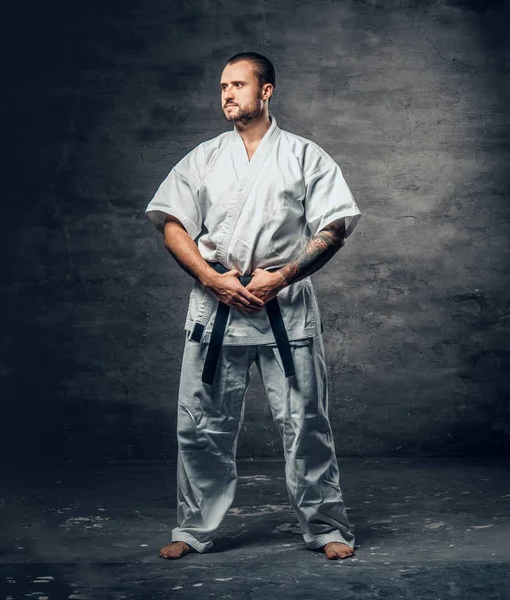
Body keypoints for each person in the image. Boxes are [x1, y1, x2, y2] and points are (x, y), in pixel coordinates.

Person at [145, 52, 361, 561]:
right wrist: (210, 277)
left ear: (266, 91)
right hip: (216, 306)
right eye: (222, 86)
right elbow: (172, 222)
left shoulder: (305, 156)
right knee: (200, 424)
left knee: (306, 422)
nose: (227, 94)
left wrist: (283, 275)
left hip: (284, 306)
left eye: (238, 85)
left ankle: (326, 526)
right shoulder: (204, 157)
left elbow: (334, 227)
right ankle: (194, 528)